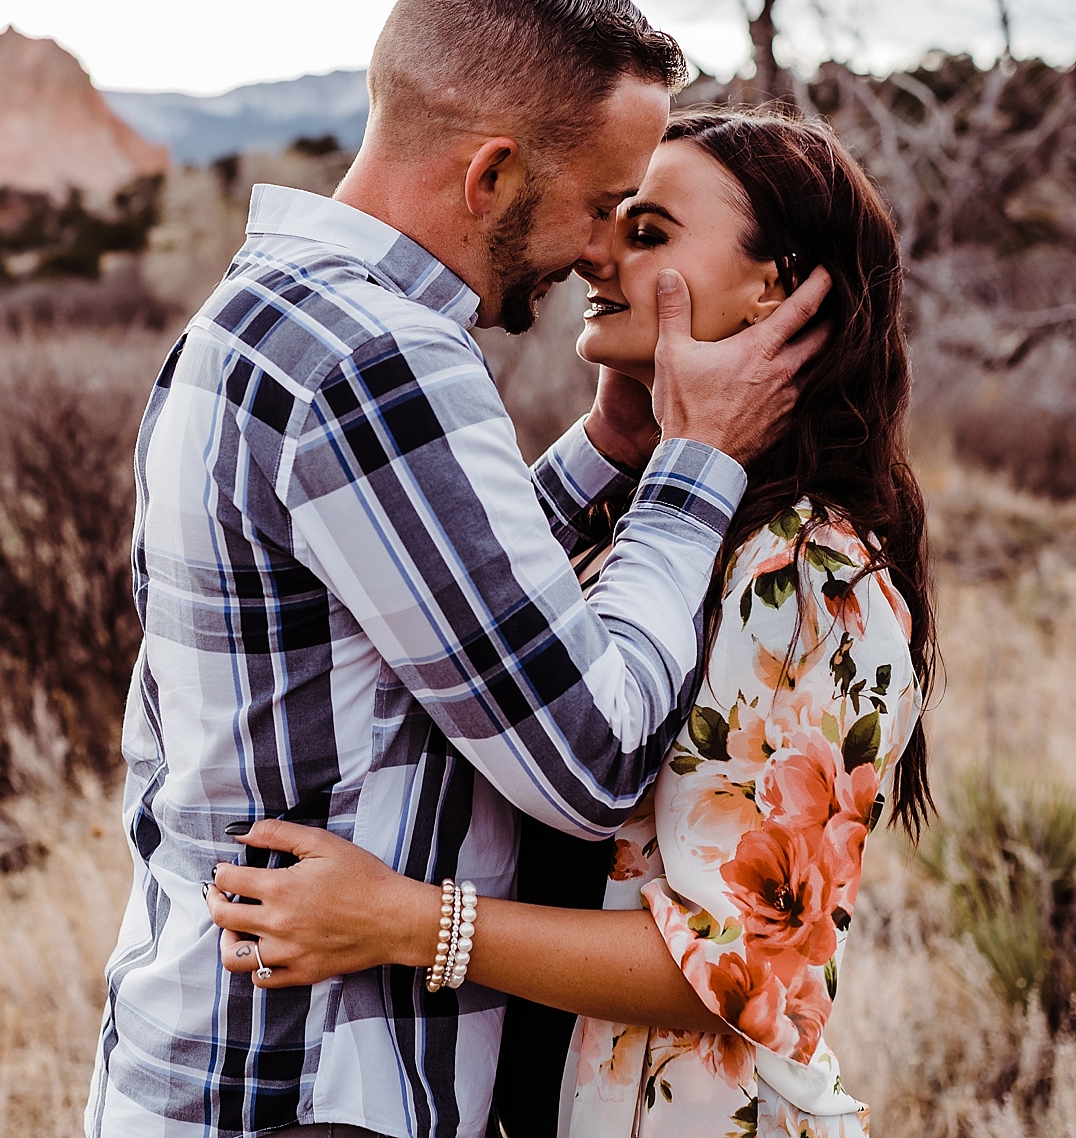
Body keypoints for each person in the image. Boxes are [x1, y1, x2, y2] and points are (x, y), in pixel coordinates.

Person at [86, 0, 830, 1138]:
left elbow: (414, 610)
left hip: (218, 1066)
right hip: (312, 1090)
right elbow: (589, 755)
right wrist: (697, 469)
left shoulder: (261, 315)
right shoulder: (382, 359)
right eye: (599, 207)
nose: (601, 252)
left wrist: (606, 447)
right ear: (488, 174)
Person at [202, 110, 935, 1138]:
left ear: (772, 288)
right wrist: (619, 439)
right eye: (612, 219)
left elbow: (741, 964)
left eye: (648, 233)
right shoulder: (659, 521)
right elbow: (495, 616)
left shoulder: (810, 576)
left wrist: (410, 923)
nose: (602, 256)